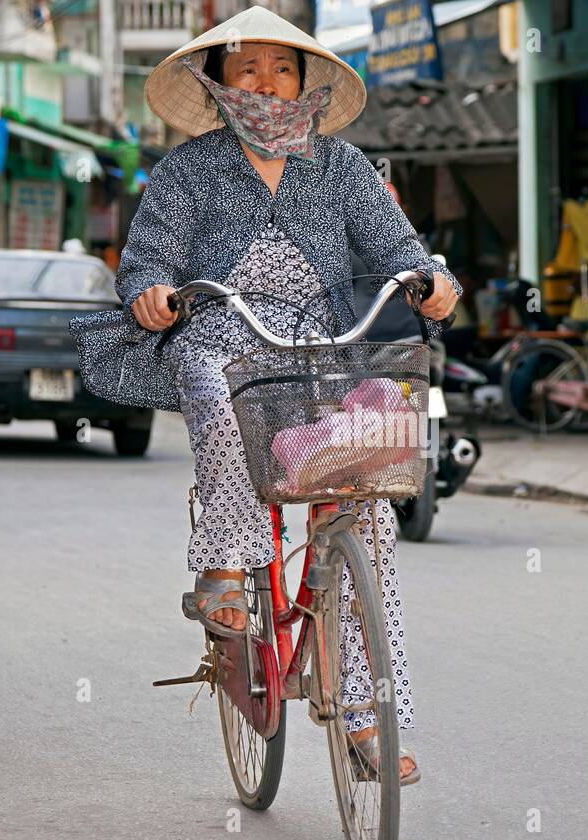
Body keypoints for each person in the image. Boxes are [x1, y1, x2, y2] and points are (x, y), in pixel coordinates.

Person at [119, 6, 460, 782]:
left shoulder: (344, 168)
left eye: (281, 69)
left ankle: (369, 724)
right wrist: (150, 294)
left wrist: (436, 281)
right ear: (218, 84)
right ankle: (227, 575)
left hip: (328, 355)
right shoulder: (186, 171)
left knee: (368, 519)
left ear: (306, 82)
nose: (265, 84)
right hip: (223, 344)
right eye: (247, 70)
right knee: (209, 384)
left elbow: (404, 252)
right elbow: (145, 264)